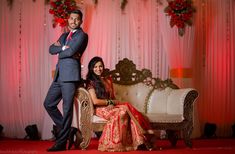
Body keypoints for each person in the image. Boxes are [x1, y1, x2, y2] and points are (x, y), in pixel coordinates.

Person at [85, 56, 155, 152]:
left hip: (109, 107)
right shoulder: (91, 82)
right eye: (95, 67)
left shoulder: (107, 80)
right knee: (124, 110)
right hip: (99, 109)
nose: (98, 69)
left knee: (126, 107)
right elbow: (95, 101)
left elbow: (112, 98)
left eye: (100, 66)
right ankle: (114, 143)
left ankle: (139, 141)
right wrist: (110, 102)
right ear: (91, 68)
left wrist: (111, 103)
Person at [44, 9, 88, 152]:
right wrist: (63, 48)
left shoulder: (82, 36)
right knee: (49, 104)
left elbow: (70, 52)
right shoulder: (64, 36)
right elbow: (51, 49)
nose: (73, 21)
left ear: (81, 21)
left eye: (76, 19)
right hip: (59, 76)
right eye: (71, 18)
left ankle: (61, 143)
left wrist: (62, 51)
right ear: (68, 20)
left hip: (70, 77)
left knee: (67, 109)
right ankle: (68, 130)